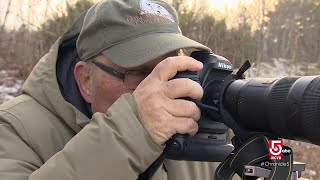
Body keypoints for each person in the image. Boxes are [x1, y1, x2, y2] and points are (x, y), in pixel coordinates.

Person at [0, 0, 239, 179]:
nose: (161, 87)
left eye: (171, 70)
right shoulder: (14, 129)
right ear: (85, 80)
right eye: (142, 74)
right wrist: (134, 132)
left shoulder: (191, 125)